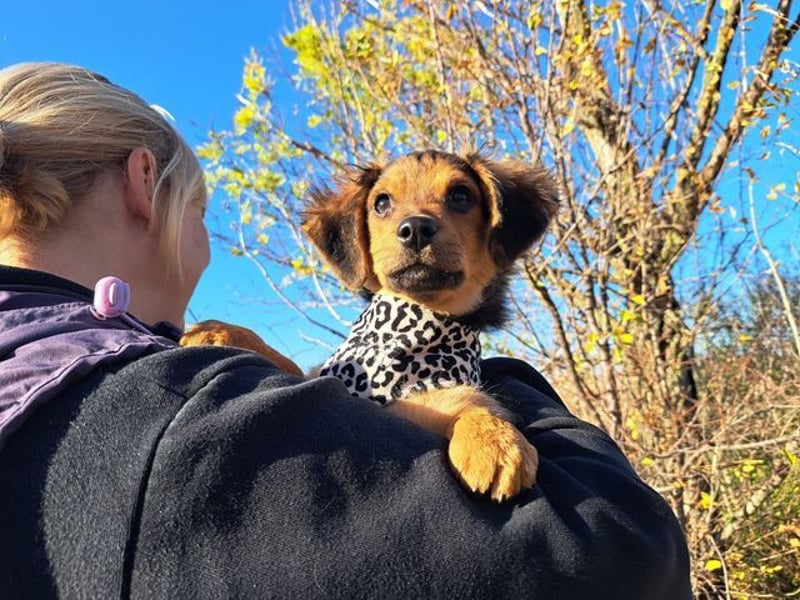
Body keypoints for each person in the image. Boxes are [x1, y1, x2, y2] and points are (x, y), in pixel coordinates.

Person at [0, 62, 692, 599]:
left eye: (457, 200)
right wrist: (504, 393)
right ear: (142, 184)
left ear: (499, 227)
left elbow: (330, 403)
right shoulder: (170, 413)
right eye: (201, 209)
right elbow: (628, 556)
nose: (417, 224)